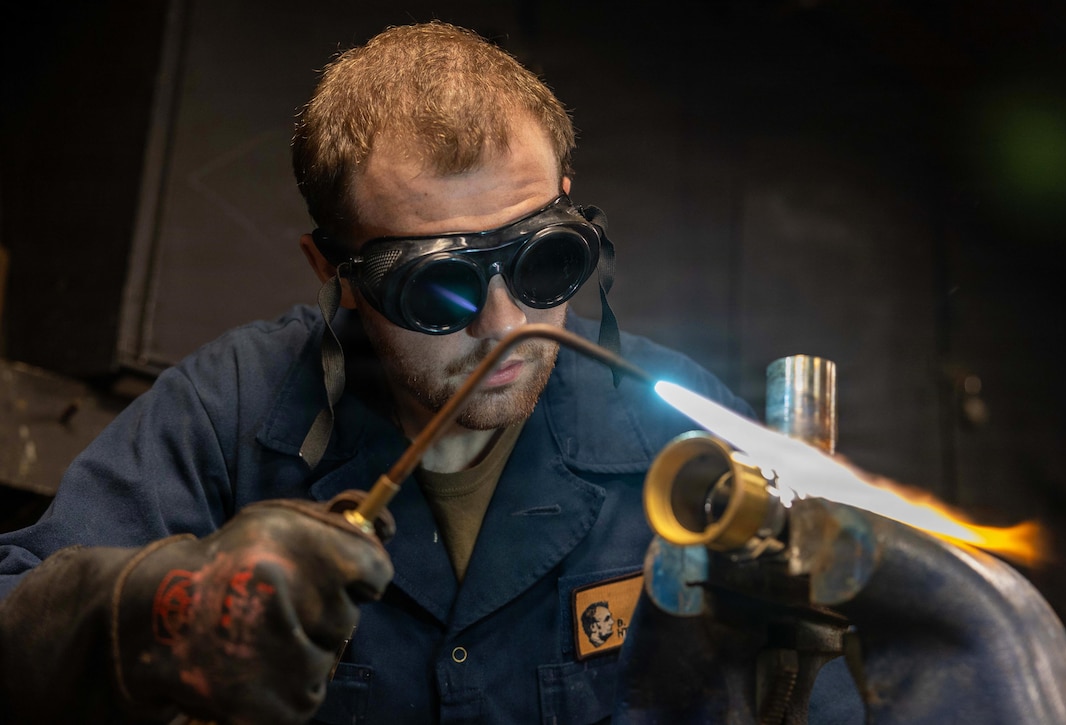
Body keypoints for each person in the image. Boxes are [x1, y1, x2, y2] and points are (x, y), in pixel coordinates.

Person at [0, 21, 858, 724]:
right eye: (436, 285)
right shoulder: (229, 413)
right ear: (330, 269)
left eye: (543, 262)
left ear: (567, 201)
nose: (504, 326)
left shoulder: (679, 431)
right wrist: (163, 607)